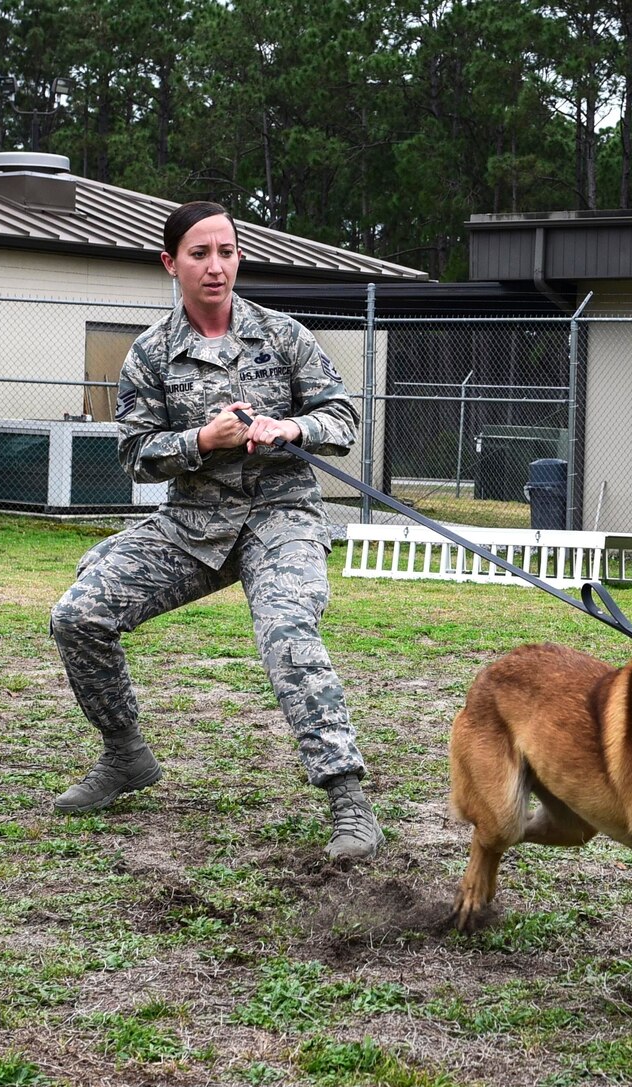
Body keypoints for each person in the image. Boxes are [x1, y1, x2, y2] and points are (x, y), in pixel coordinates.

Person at [48, 201, 382, 862]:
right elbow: (136, 453)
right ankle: (125, 755)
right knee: (77, 614)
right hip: (191, 524)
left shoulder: (282, 334)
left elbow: (341, 416)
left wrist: (291, 428)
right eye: (200, 253)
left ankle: (349, 802)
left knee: (289, 631)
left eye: (226, 251)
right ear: (171, 263)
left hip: (278, 515)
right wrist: (203, 439)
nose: (216, 266)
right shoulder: (150, 353)